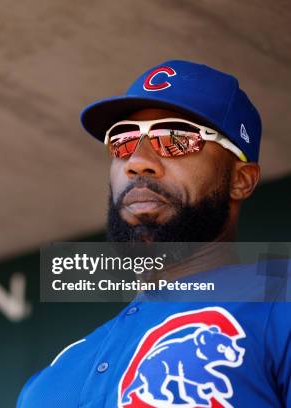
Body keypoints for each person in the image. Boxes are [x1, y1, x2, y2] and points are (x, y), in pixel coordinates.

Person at [16, 60, 290, 407]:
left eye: (175, 139)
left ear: (241, 179)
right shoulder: (50, 383)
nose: (137, 161)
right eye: (124, 142)